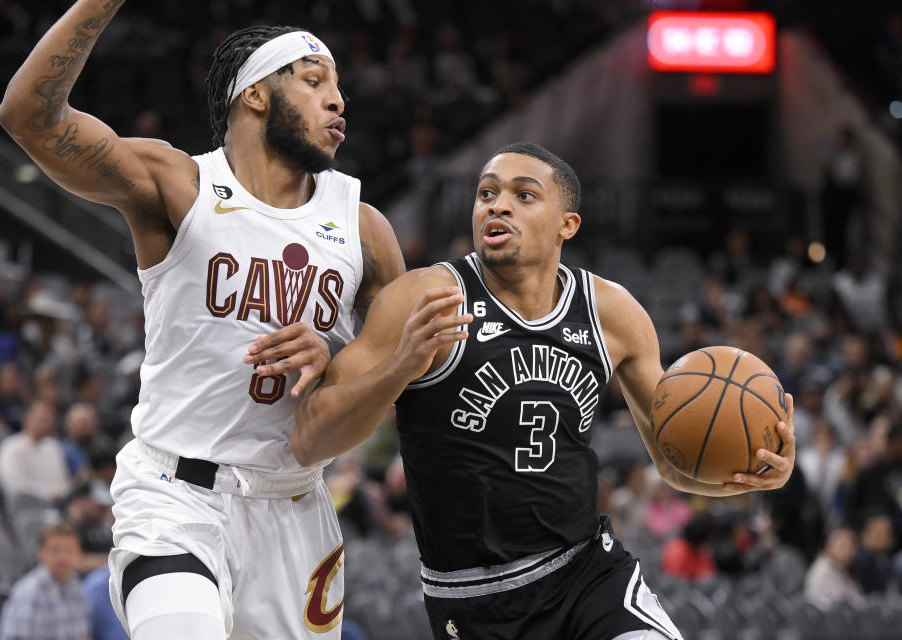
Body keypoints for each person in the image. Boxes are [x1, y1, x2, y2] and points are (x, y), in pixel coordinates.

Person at [0, 1, 405, 638]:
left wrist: (335, 358)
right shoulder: (178, 184)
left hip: (294, 508)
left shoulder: (364, 227)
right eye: (314, 80)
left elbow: (400, 378)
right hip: (176, 495)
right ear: (256, 96)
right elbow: (28, 117)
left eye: (339, 86)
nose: (338, 100)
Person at [292, 143, 797, 639]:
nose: (498, 204)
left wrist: (746, 480)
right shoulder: (427, 297)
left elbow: (672, 463)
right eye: (486, 193)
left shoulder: (612, 313)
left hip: (588, 574)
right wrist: (400, 367)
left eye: (524, 195)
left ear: (567, 225)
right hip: (471, 595)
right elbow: (313, 436)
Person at [0, 524, 90, 640]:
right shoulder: (30, 591)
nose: (63, 557)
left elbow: (84, 635)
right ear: (40, 554)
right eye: (55, 550)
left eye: (69, 551)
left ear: (79, 554)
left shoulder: (76, 586)